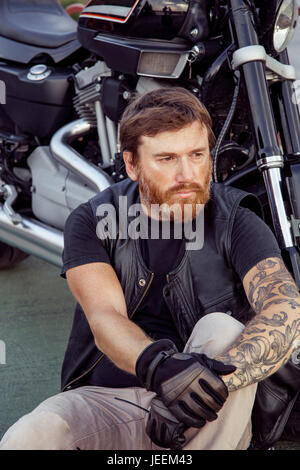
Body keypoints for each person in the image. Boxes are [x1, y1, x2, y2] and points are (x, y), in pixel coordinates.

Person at [1, 87, 300, 450]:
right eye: (167, 159)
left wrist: (205, 385)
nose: (187, 174)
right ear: (131, 164)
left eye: (197, 154)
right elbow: (104, 316)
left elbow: (286, 308)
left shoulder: (235, 218)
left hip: (213, 413)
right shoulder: (93, 220)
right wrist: (160, 369)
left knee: (222, 329)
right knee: (29, 435)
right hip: (111, 400)